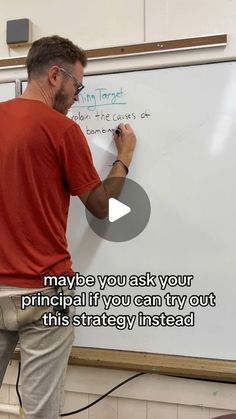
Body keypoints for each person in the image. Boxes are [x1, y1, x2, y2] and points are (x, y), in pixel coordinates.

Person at [0, 35, 136, 419]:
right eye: (78, 85)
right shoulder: (61, 130)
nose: (78, 96)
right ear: (56, 76)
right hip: (45, 289)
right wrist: (123, 158)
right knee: (41, 411)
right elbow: (102, 207)